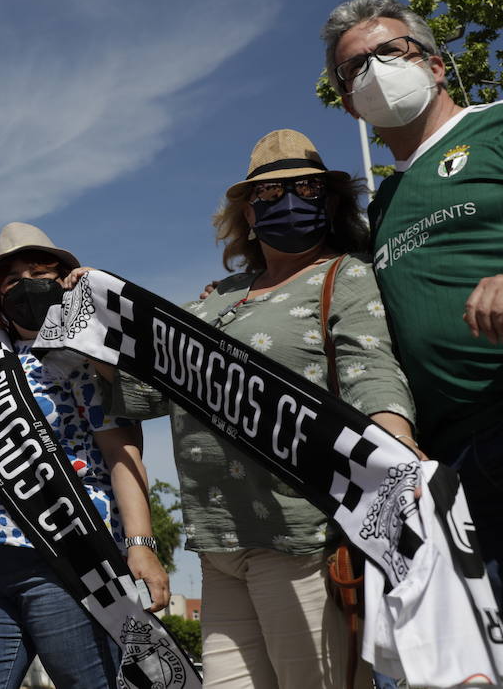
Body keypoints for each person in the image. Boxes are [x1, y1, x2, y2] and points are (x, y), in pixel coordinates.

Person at [110, 131, 417, 689]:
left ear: (331, 203)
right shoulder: (212, 299)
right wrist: (87, 318)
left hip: (301, 537)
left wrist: (398, 449)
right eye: (270, 193)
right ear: (246, 213)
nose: (290, 202)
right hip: (217, 540)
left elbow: (369, 371)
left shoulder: (343, 276)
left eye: (306, 189)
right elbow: (146, 388)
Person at [322, 0, 503, 648]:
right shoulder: (382, 208)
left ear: (436, 66)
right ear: (348, 104)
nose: (374, 72)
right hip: (456, 471)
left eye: (390, 52)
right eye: (353, 70)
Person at [0, 222, 168, 689]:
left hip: (67, 557)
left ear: (64, 278)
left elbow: (122, 452)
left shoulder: (83, 352)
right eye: (13, 279)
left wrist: (141, 546)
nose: (26, 285)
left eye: (39, 272)